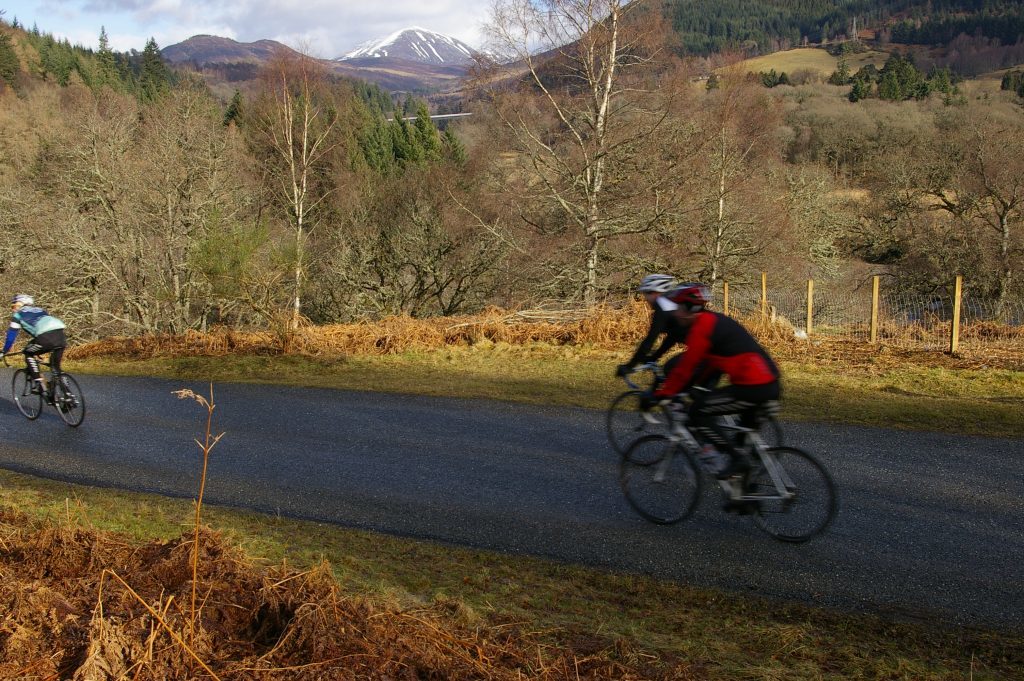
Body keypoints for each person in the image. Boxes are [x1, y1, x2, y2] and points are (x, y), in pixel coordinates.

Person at [645, 283, 781, 486]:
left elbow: (685, 368)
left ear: (690, 310)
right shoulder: (714, 320)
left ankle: (738, 461)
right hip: (768, 383)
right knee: (741, 439)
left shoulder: (701, 328)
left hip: (753, 387)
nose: (676, 314)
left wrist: (659, 395)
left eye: (679, 309)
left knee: (698, 412)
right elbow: (710, 363)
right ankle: (744, 495)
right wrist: (697, 386)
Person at [615, 274, 688, 380]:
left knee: (670, 369)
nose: (645, 298)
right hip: (710, 346)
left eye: (646, 293)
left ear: (655, 293)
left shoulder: (663, 307)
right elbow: (673, 336)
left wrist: (629, 366)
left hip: (707, 349)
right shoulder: (673, 305)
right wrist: (655, 357)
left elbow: (650, 339)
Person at [2, 294, 67, 396]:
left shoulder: (18, 315)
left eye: (14, 306)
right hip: (61, 336)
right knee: (56, 368)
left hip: (45, 338)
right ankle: (67, 393)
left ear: (21, 303)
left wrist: (4, 351)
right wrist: (38, 349)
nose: (13, 309)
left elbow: (11, 337)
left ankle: (41, 385)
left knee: (28, 353)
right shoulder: (41, 310)